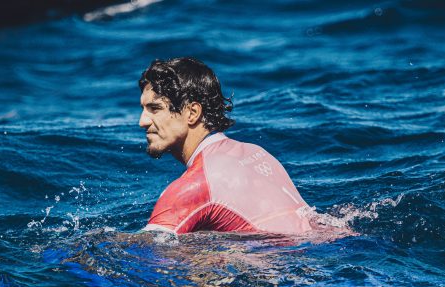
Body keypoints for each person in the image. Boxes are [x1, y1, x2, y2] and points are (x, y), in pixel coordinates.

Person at [138, 57, 348, 237]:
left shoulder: (193, 187)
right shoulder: (254, 152)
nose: (142, 121)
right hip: (336, 244)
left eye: (154, 109)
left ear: (192, 113)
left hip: (292, 273)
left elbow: (147, 261)